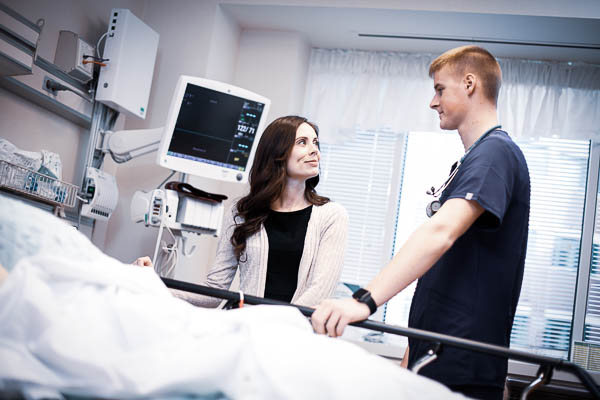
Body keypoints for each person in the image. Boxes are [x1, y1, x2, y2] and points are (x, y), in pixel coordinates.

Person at [311, 45, 530, 400]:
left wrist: (363, 301)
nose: (433, 101)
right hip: (437, 351)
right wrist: (412, 352)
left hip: (460, 356)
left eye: (440, 89)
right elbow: (448, 266)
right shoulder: (477, 158)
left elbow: (440, 233)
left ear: (470, 83)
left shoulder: (495, 153)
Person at [136, 115, 348, 308]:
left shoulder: (331, 216)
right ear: (277, 153)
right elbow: (214, 291)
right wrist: (154, 283)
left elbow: (319, 292)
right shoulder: (243, 213)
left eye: (316, 143)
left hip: (294, 337)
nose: (315, 150)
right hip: (246, 329)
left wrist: (273, 326)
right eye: (302, 142)